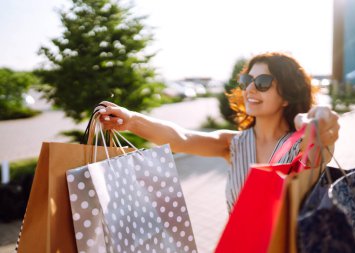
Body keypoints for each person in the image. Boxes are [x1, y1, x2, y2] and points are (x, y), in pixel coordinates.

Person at [98, 52, 339, 211]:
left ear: (287, 95)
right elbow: (182, 138)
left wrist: (321, 126)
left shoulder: (301, 145)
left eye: (263, 82)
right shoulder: (233, 143)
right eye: (246, 81)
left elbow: (321, 148)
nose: (250, 89)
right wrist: (130, 120)